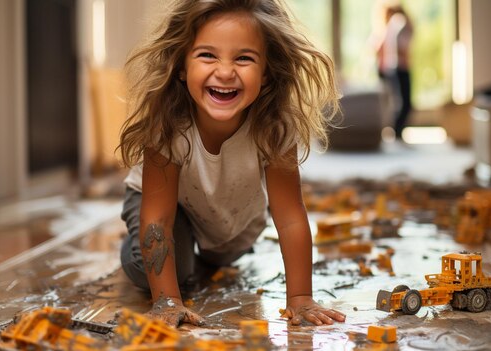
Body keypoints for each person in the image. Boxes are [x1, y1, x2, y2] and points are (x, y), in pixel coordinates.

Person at [118, 0, 345, 328]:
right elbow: (159, 216)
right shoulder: (168, 125)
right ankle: (134, 243)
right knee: (170, 271)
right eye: (207, 55)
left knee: (222, 258)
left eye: (244, 58)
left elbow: (290, 216)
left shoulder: (274, 127)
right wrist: (167, 301)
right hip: (163, 207)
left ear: (266, 73)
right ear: (182, 65)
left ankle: (198, 247)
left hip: (229, 217)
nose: (225, 72)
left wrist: (300, 299)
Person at [375, 4, 413, 139]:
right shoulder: (395, 27)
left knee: (399, 102)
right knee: (402, 103)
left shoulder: (396, 27)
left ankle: (396, 130)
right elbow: (399, 48)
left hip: (394, 68)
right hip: (397, 68)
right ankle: (396, 131)